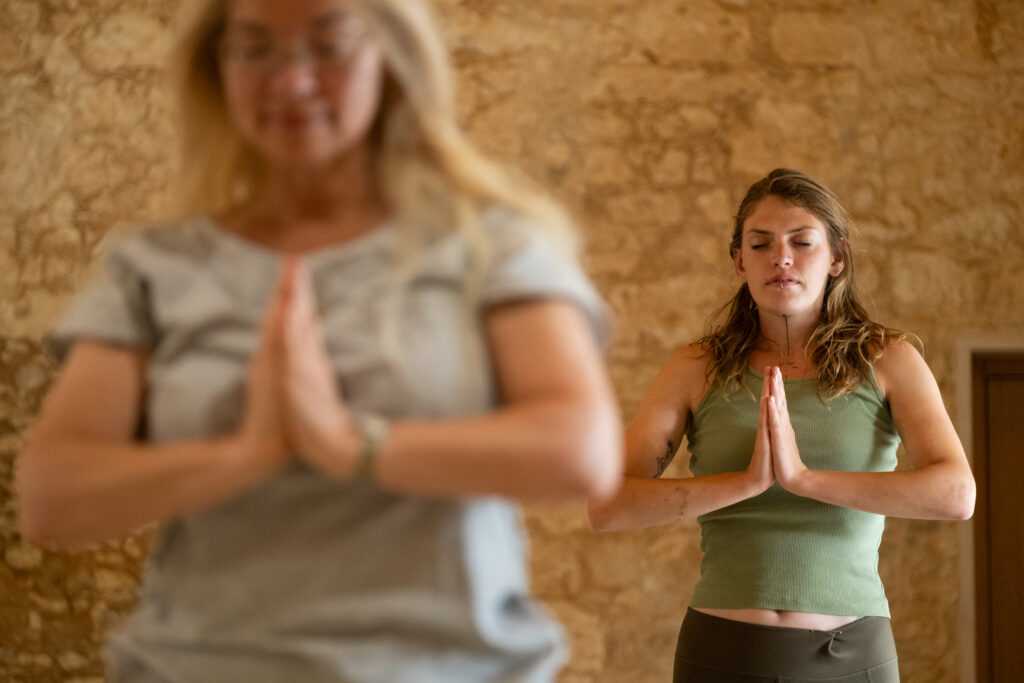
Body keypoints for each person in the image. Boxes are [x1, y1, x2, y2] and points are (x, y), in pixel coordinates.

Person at [15, 1, 622, 681]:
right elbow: (52, 495)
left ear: (389, 59)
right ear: (216, 69)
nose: (292, 82)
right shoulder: (155, 266)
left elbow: (579, 452)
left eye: (329, 46)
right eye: (254, 50)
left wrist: (344, 442)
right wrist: (246, 453)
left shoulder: (491, 244)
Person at [588, 168, 976, 682]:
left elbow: (956, 495)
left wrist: (803, 479)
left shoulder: (889, 361)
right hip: (721, 651)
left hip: (852, 654)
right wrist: (745, 483)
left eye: (802, 241)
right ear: (738, 261)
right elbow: (608, 505)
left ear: (836, 257)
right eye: (761, 243)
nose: (782, 257)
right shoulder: (694, 367)